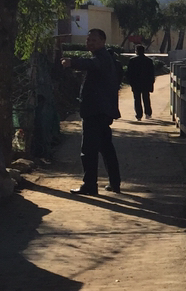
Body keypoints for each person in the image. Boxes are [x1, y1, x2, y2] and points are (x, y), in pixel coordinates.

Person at [61, 28, 121, 195]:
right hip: (102, 110)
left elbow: (90, 64)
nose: (90, 43)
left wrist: (72, 63)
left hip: (95, 111)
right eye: (88, 40)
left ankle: (89, 185)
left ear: (102, 41)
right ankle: (115, 183)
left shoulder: (101, 57)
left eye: (94, 40)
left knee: (88, 149)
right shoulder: (105, 57)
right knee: (106, 148)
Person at [127, 44, 156, 120]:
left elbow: (129, 73)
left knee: (137, 99)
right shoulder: (149, 61)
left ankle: (139, 115)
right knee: (146, 98)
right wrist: (151, 83)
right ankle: (148, 113)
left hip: (136, 83)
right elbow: (151, 73)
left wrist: (130, 82)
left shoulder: (132, 60)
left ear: (136, 51)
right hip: (146, 83)